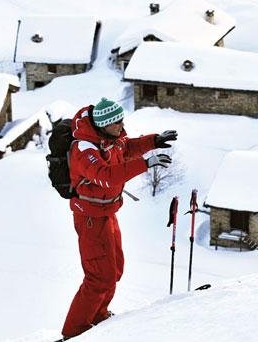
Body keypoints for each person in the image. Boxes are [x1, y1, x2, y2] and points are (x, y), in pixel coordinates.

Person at [60, 98, 177, 339]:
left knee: (114, 271)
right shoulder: (84, 149)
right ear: (102, 125)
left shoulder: (112, 138)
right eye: (116, 122)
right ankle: (74, 332)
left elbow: (127, 148)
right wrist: (146, 163)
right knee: (98, 277)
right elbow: (106, 177)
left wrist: (153, 141)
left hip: (108, 213)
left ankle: (99, 316)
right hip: (90, 219)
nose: (121, 125)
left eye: (121, 120)